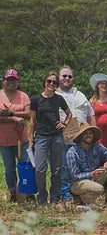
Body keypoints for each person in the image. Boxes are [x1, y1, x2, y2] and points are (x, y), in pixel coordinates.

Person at [29, 71, 72, 205]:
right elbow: (32, 122)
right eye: (49, 81)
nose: (51, 84)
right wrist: (31, 141)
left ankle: (54, 198)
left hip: (56, 137)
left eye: (54, 82)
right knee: (40, 170)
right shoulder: (36, 99)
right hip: (41, 137)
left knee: (56, 169)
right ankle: (42, 198)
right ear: (44, 82)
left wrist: (64, 123)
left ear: (56, 85)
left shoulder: (58, 99)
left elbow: (69, 113)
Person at [56, 65, 96, 202]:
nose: (67, 78)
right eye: (64, 76)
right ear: (58, 78)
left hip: (82, 140)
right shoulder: (54, 95)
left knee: (81, 167)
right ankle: (65, 194)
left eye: (69, 76)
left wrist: (94, 133)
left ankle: (80, 193)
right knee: (65, 167)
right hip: (63, 139)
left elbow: (91, 114)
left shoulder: (80, 95)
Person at [67, 123, 107, 208]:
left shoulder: (96, 146)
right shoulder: (72, 152)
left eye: (90, 133)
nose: (88, 136)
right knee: (98, 188)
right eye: (86, 133)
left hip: (95, 178)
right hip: (79, 183)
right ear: (81, 136)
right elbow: (74, 176)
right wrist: (91, 174)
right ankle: (82, 200)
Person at [0, 69, 31, 203]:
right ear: (3, 81)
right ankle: (13, 193)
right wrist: (14, 119)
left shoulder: (23, 96)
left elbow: (28, 114)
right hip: (4, 140)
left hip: (21, 139)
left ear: (17, 82)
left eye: (14, 80)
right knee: (9, 168)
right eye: (8, 80)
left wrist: (10, 114)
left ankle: (26, 192)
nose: (11, 82)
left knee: (25, 166)